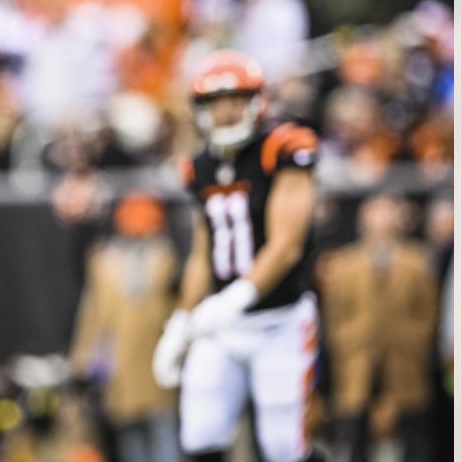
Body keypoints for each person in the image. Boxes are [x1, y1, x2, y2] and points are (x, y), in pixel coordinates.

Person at [152, 50, 323, 462]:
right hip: (223, 328)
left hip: (279, 319)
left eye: (235, 100)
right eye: (216, 103)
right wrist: (179, 322)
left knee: (283, 447)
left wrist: (231, 300)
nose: (226, 112)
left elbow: (286, 247)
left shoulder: (282, 148)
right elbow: (202, 253)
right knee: (200, 436)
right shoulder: (200, 167)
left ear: (257, 102)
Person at [317, 194, 438, 462]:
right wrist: (349, 341)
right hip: (358, 358)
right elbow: (335, 315)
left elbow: (428, 312)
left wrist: (413, 341)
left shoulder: (417, 261)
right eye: (375, 212)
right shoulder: (343, 265)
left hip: (405, 360)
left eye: (387, 211)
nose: (381, 219)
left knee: (414, 434)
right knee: (354, 435)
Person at [69, 194, 181, 462]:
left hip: (157, 365)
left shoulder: (164, 257)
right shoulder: (104, 260)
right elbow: (93, 313)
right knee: (132, 442)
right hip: (121, 371)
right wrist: (83, 362)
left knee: (163, 437)